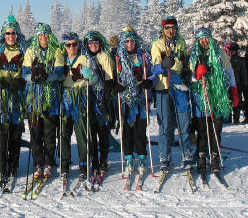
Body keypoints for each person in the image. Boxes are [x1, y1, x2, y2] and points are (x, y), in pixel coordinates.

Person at [145, 15, 194, 173]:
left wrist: (186, 71)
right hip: (164, 88)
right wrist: (163, 67)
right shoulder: (157, 44)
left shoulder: (180, 42)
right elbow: (154, 68)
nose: (171, 30)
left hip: (180, 86)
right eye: (168, 28)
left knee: (184, 122)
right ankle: (164, 156)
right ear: (163, 29)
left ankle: (187, 154)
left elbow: (184, 61)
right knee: (166, 124)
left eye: (173, 27)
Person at [189, 27, 239, 176]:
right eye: (201, 39)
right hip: (201, 96)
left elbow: (229, 71)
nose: (204, 41)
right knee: (203, 129)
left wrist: (234, 89)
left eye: (206, 38)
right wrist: (196, 74)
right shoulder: (194, 55)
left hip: (218, 96)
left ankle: (215, 157)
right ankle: (202, 155)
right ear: (198, 41)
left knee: (216, 128)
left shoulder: (220, 53)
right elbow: (190, 77)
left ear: (210, 38)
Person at [0, 15, 27, 191]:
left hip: (17, 98)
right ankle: (1, 169)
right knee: (2, 133)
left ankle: (13, 165)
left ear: (17, 34)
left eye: (13, 33)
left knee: (16, 132)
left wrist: (22, 81)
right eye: (7, 33)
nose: (11, 36)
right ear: (4, 34)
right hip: (2, 98)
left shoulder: (23, 50)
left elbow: (28, 72)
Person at [21, 23, 64, 179]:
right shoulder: (31, 51)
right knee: (35, 134)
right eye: (40, 35)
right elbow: (24, 73)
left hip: (50, 99)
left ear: (50, 35)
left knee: (50, 134)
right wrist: (32, 77)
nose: (43, 37)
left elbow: (59, 73)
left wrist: (48, 76)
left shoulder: (57, 51)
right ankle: (38, 163)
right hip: (34, 99)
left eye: (45, 34)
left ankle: (48, 162)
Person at [115, 25, 153, 176]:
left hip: (140, 99)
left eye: (132, 41)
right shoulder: (117, 56)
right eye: (126, 42)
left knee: (140, 130)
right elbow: (112, 75)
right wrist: (115, 85)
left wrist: (148, 81)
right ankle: (129, 158)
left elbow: (151, 73)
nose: (129, 44)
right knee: (126, 132)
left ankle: (142, 158)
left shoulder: (142, 56)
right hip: (124, 99)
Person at [80, 30, 119, 179]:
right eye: (90, 43)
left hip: (102, 98)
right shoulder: (84, 58)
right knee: (91, 132)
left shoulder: (105, 57)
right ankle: (94, 160)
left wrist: (105, 98)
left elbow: (110, 80)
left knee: (102, 132)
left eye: (95, 43)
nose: (93, 46)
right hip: (88, 97)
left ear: (100, 43)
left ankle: (103, 160)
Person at [59, 32, 89, 182]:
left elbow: (93, 77)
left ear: (78, 44)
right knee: (64, 134)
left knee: (81, 133)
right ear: (65, 46)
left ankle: (84, 164)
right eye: (68, 45)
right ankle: (64, 165)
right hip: (65, 97)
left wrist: (86, 74)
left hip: (79, 96)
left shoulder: (84, 58)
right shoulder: (61, 58)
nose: (71, 47)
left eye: (74, 44)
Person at [226, 42, 247, 124]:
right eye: (230, 50)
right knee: (228, 101)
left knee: (237, 102)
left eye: (233, 50)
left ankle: (236, 118)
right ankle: (228, 118)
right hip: (228, 84)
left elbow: (243, 72)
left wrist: (245, 84)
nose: (231, 52)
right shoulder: (227, 59)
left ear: (236, 51)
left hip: (237, 84)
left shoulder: (240, 60)